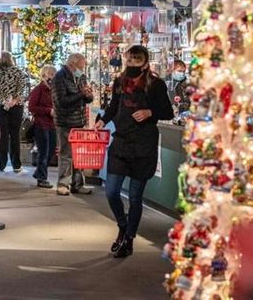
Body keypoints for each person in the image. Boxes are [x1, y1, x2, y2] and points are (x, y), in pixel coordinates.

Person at [96, 45, 174, 258]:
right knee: (111, 191)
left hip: (144, 144)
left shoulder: (156, 85)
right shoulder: (119, 83)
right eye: (129, 60)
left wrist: (150, 111)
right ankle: (123, 225)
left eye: (136, 60)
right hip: (121, 143)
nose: (131, 64)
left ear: (146, 63)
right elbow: (113, 106)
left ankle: (129, 238)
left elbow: (168, 111)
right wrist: (103, 120)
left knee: (135, 197)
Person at [52, 53, 94, 196]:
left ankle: (78, 183)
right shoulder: (59, 77)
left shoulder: (81, 77)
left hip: (79, 121)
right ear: (72, 64)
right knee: (66, 154)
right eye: (81, 66)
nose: (83, 69)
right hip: (65, 121)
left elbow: (86, 99)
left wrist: (88, 95)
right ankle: (63, 184)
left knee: (79, 155)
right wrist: (81, 94)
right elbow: (61, 101)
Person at [0, 52, 29, 173]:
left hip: (2, 107)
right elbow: (22, 88)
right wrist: (15, 100)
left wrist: (4, 101)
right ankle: (16, 164)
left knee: (3, 134)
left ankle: (1, 164)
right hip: (17, 106)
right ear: (11, 59)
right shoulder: (19, 72)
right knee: (15, 135)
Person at [28, 65, 58, 189]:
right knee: (44, 152)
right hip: (41, 124)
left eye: (54, 74)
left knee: (50, 151)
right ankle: (41, 178)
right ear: (44, 75)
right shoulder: (38, 90)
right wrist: (48, 111)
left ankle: (39, 172)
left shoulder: (54, 90)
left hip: (52, 124)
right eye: (50, 74)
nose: (52, 77)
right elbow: (32, 107)